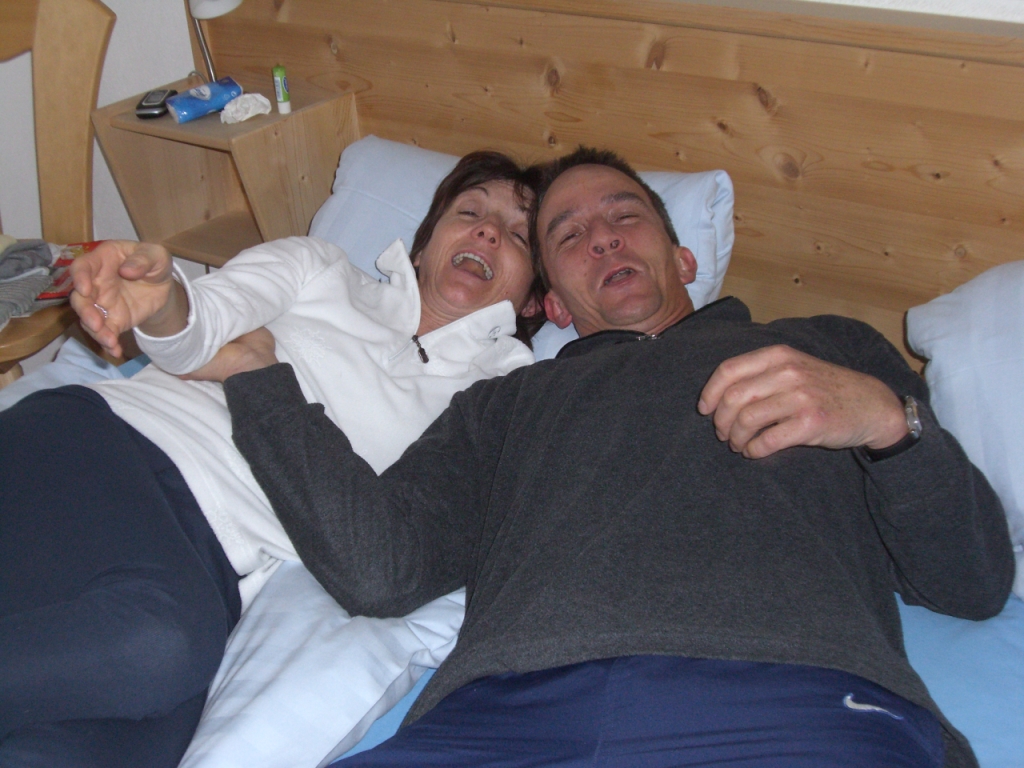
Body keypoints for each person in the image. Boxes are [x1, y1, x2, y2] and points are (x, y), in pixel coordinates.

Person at [217, 147, 1014, 768]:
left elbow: (973, 582)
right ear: (553, 305)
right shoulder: (505, 403)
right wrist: (258, 379)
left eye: (625, 216)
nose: (601, 237)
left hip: (792, 697)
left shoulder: (824, 350)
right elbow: (379, 567)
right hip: (508, 713)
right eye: (568, 236)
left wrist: (889, 422)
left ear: (684, 259)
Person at [0, 151, 547, 768]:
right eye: (469, 212)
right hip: (105, 446)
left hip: (210, 565)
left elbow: (383, 554)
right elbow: (202, 324)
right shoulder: (322, 269)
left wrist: (256, 369)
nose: (488, 231)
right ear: (422, 247)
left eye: (517, 236)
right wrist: (164, 300)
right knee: (156, 646)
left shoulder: (502, 401)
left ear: (533, 300)